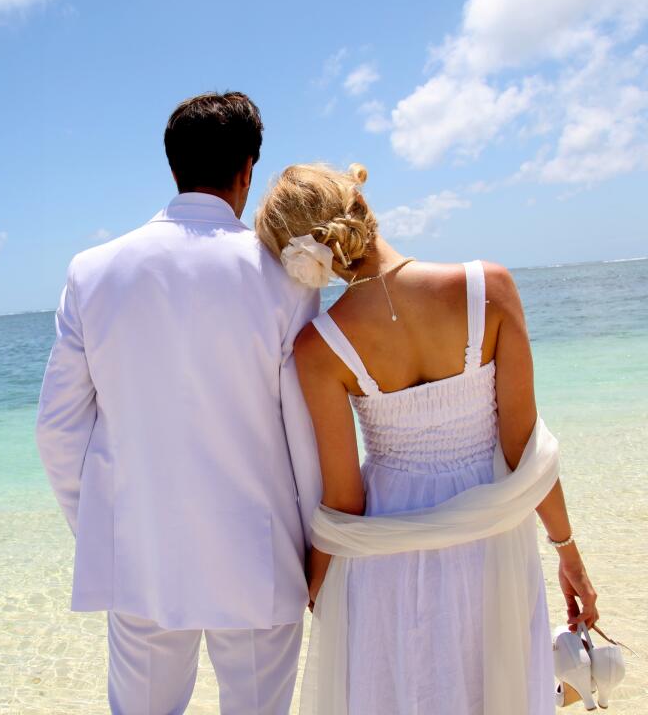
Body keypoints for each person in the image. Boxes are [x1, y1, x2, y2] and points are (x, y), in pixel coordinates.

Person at [253, 162, 600, 714]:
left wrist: (317, 584)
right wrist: (567, 551)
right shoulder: (489, 287)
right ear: (361, 203)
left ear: (303, 260)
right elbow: (524, 448)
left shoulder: (318, 347)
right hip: (492, 533)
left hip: (386, 544)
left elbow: (344, 500)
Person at [35, 92, 321, 714]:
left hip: (141, 556)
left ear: (173, 168)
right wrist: (317, 547)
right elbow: (306, 435)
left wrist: (107, 528)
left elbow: (57, 431)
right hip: (259, 554)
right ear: (248, 170)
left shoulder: (92, 271)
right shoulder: (287, 278)